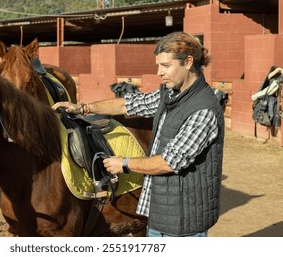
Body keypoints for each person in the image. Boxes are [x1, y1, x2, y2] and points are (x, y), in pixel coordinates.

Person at [52, 31, 224, 237]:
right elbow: (131, 103)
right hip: (162, 212)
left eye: (166, 66)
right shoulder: (169, 94)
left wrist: (124, 163)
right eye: (158, 66)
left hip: (184, 219)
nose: (159, 72)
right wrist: (82, 108)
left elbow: (169, 162)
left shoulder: (202, 109)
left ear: (188, 62)